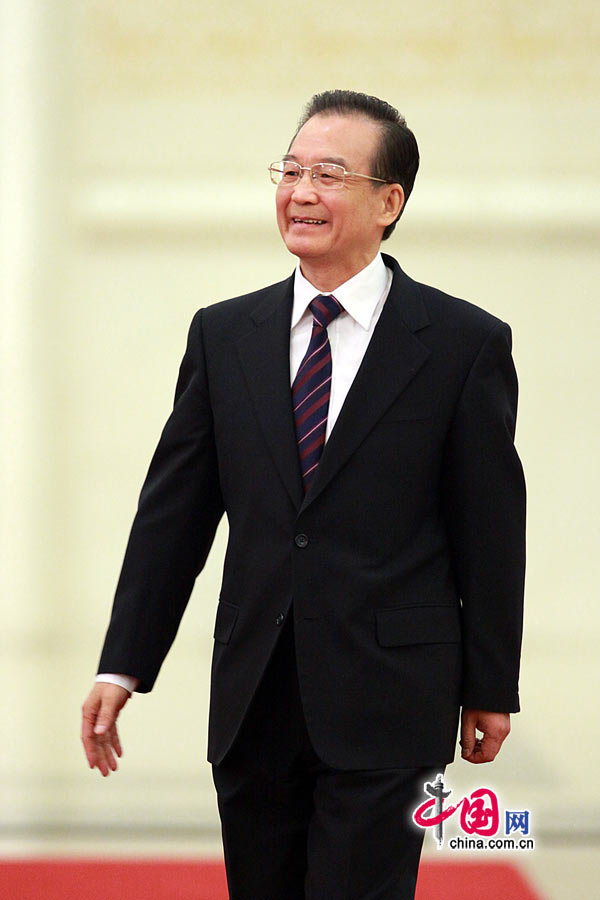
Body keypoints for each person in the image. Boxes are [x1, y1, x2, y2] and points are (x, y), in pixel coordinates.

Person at [81, 90, 525, 899]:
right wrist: (124, 662)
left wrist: (491, 685)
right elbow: (173, 517)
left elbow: (491, 531)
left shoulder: (464, 344)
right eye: (289, 171)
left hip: (390, 696)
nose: (301, 192)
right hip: (256, 696)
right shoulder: (224, 336)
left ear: (389, 201)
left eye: (329, 174)